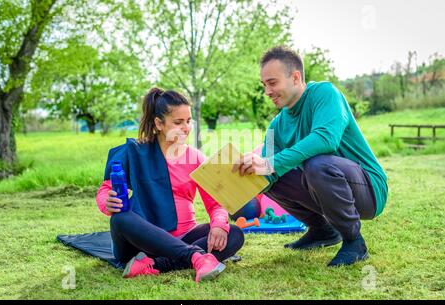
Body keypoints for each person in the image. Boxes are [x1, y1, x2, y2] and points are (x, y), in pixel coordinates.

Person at [233, 46, 388, 267]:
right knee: (268, 178)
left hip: (369, 190)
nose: (267, 91)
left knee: (316, 164)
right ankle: (322, 230)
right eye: (264, 85)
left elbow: (326, 139)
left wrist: (269, 163)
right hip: (324, 186)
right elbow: (265, 174)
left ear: (295, 77)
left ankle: (354, 241)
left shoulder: (325, 94)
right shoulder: (276, 126)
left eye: (272, 82)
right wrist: (232, 185)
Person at [96, 88, 244, 282]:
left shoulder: (195, 157)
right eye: (178, 122)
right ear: (159, 123)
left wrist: (218, 225)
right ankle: (196, 257)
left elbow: (215, 202)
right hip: (140, 244)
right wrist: (106, 201)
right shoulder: (135, 152)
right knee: (120, 219)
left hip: (183, 236)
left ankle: (155, 265)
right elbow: (105, 189)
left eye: (189, 121)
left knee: (234, 233)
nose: (186, 128)